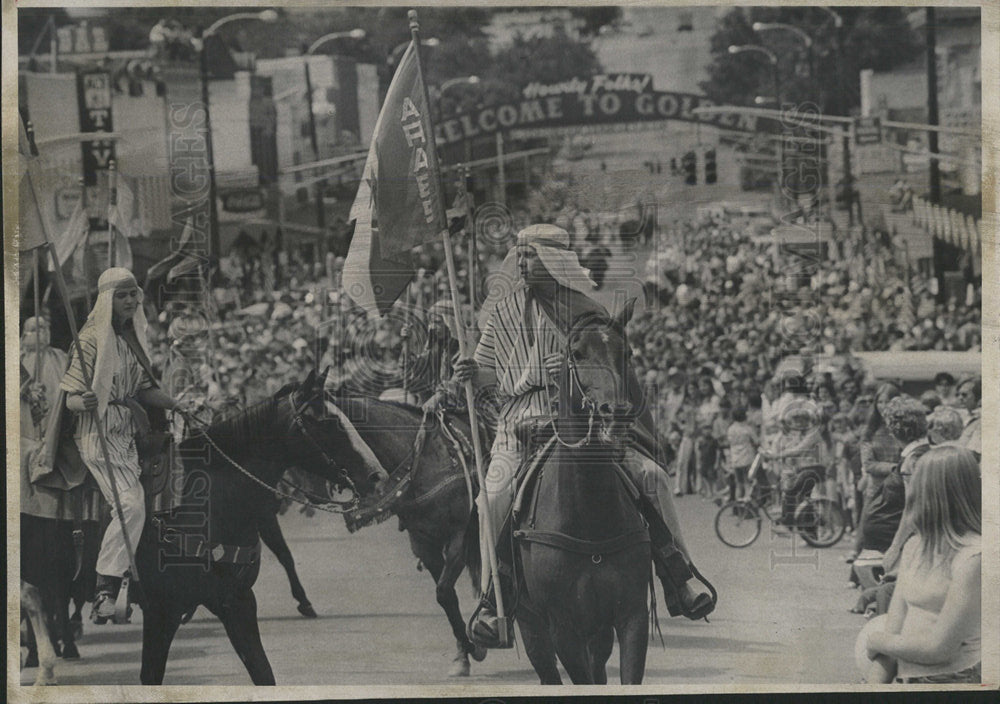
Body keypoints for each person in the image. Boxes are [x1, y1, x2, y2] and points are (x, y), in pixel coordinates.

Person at [451, 224, 713, 648]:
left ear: (553, 260)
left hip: (579, 419)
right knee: (491, 496)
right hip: (518, 420)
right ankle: (492, 602)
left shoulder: (587, 311)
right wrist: (468, 373)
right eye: (519, 255)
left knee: (653, 478)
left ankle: (680, 576)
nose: (522, 263)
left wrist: (574, 389)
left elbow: (609, 373)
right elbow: (488, 373)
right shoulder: (499, 312)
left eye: (530, 256)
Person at [60, 268, 189, 623]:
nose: (131, 301)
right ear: (107, 300)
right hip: (96, 434)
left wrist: (176, 404)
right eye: (122, 295)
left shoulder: (128, 339)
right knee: (131, 506)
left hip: (127, 434)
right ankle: (105, 587)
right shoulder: (89, 340)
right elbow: (69, 397)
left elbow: (143, 390)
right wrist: (83, 402)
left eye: (134, 294)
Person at [862, 446, 981, 683]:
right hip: (908, 678)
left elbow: (939, 649)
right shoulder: (915, 546)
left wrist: (876, 640)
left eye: (912, 481)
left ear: (937, 492)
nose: (908, 493)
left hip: (954, 680)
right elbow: (893, 634)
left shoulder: (974, 557)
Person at [20, 316, 69, 427]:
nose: (42, 332)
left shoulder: (60, 356)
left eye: (45, 328)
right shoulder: (19, 358)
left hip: (55, 415)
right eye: (36, 329)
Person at [955, 377, 981, 457]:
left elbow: (975, 454)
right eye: (958, 395)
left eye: (964, 395)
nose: (960, 398)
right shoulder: (964, 415)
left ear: (979, 397)